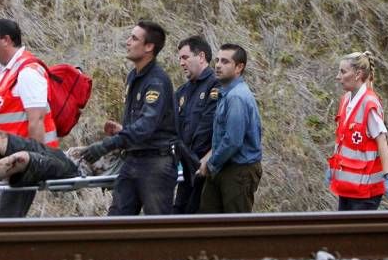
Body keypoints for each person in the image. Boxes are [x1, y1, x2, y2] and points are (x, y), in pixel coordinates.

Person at [82, 21, 179, 215]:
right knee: (116, 223)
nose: (127, 42)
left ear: (149, 47)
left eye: (134, 38)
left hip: (155, 164)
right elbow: (142, 124)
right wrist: (123, 129)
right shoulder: (134, 76)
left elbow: (146, 126)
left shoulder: (156, 81)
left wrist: (107, 144)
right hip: (132, 159)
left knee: (158, 230)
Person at [0, 19, 58, 218]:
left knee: (7, 224)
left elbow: (36, 121)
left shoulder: (27, 73)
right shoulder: (6, 69)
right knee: (0, 222)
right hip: (6, 160)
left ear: (6, 40)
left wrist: (34, 164)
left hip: (21, 162)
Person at [327, 51, 388, 210]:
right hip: (347, 186)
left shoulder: (369, 104)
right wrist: (333, 167)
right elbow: (342, 139)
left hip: (366, 190)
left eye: (343, 72)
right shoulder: (346, 100)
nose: (338, 77)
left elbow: (382, 142)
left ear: (358, 74)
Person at [197, 44, 262, 213]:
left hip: (238, 171)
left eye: (225, 61)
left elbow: (233, 140)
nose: (218, 65)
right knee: (209, 221)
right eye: (217, 61)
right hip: (224, 166)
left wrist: (211, 164)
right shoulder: (226, 93)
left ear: (239, 67)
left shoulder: (237, 97)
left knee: (236, 229)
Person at [173, 35, 221, 214]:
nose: (181, 63)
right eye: (179, 59)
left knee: (199, 220)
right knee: (177, 216)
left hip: (206, 168)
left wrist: (198, 159)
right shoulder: (182, 92)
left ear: (201, 57)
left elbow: (209, 128)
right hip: (186, 168)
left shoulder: (216, 85)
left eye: (185, 57)